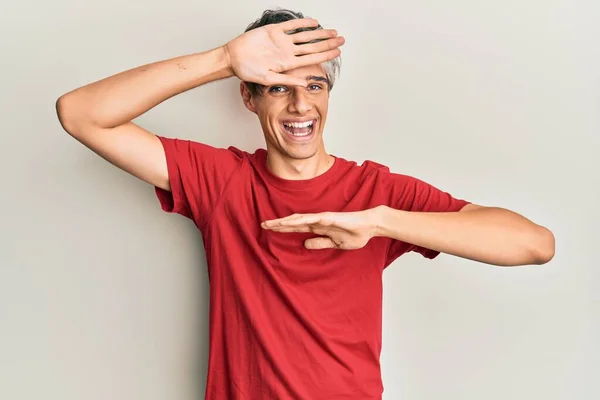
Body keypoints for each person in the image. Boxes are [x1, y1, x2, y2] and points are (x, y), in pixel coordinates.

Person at [55, 8, 555, 400]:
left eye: (314, 85)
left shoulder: (376, 193)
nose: (300, 106)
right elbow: (81, 115)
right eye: (279, 88)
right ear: (249, 99)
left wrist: (381, 223)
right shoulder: (222, 180)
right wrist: (223, 61)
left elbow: (534, 244)